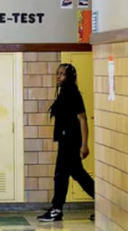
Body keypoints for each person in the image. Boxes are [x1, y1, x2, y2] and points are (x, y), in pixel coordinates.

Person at [38, 63, 96, 222]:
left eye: (62, 74)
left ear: (69, 76)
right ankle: (58, 209)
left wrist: (85, 144)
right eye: (57, 73)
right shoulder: (64, 93)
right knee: (72, 175)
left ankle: (57, 209)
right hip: (65, 141)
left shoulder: (73, 94)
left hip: (71, 142)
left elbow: (83, 120)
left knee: (65, 176)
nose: (58, 76)